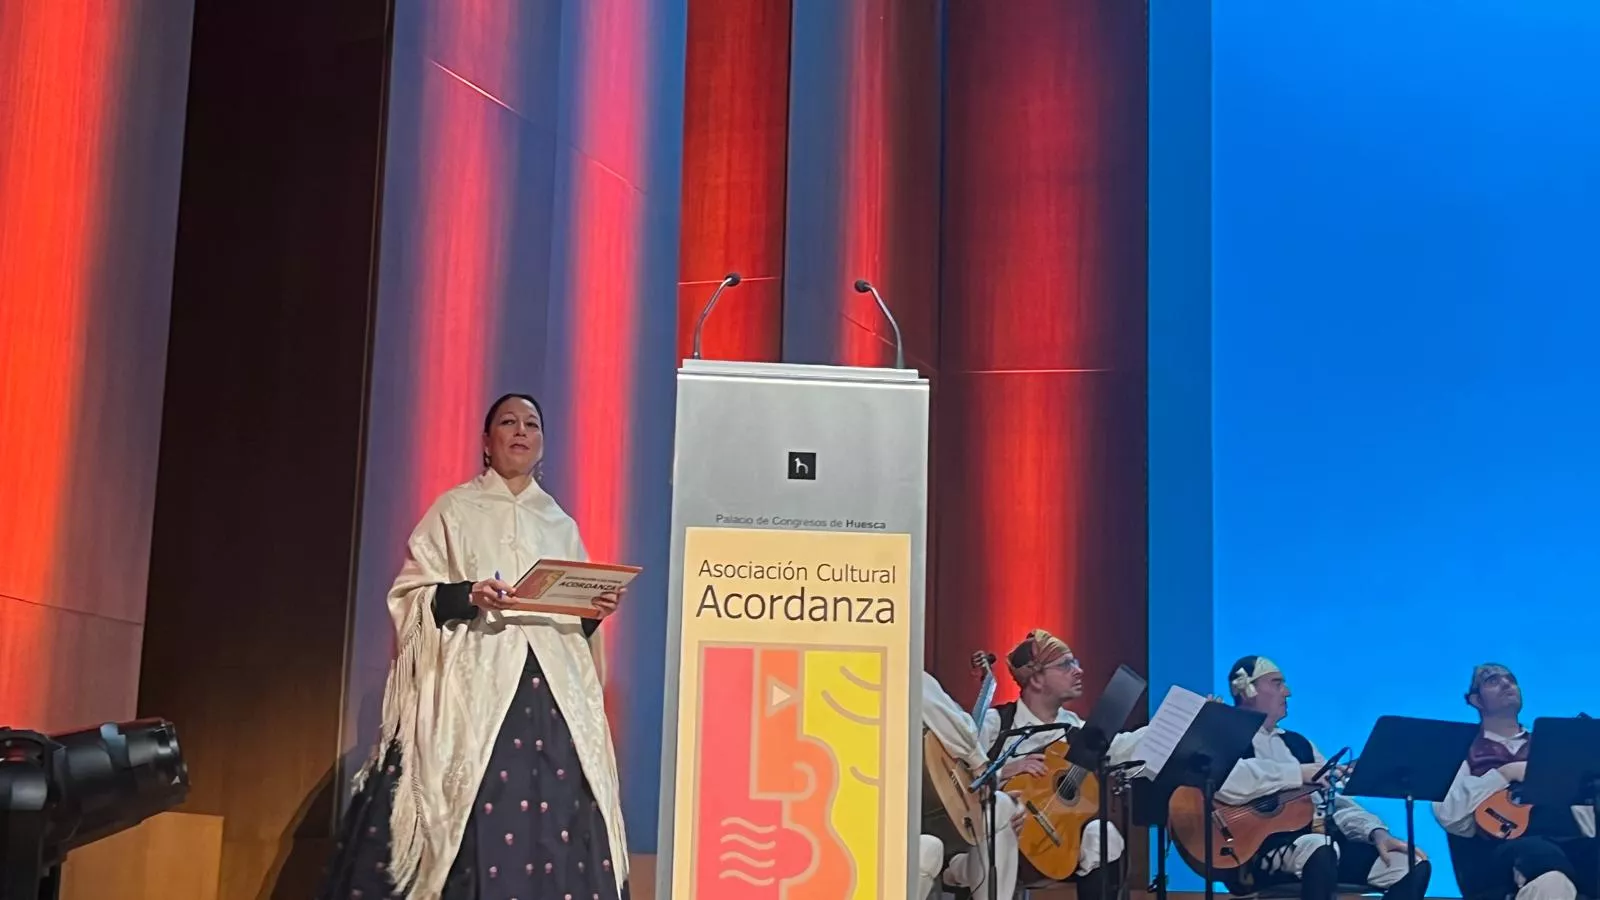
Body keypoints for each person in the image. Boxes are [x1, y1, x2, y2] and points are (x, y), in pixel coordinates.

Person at [319, 393, 629, 900]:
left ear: (543, 444)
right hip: (475, 689)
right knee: (475, 811)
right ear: (487, 442)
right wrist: (469, 594)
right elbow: (410, 597)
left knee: (561, 811)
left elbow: (576, 623)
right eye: (508, 422)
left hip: (552, 698)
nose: (521, 430)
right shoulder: (454, 509)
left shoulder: (560, 524)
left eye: (532, 423)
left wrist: (594, 607)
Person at [1216, 655, 1429, 900]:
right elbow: (1226, 781)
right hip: (1258, 852)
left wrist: (1376, 832)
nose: (1287, 692)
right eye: (1277, 683)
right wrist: (1297, 773)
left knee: (1410, 864)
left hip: (1321, 846)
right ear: (1247, 689)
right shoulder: (1228, 737)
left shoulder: (1299, 744)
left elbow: (1331, 801)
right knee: (1321, 848)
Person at [967, 630, 1146, 898]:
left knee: (1103, 836)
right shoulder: (997, 724)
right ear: (1036, 678)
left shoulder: (1073, 728)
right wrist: (1003, 771)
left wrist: (1179, 723)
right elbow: (961, 774)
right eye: (1066, 664)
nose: (1079, 671)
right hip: (1001, 837)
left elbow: (1120, 748)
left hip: (1058, 844)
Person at [1431, 663, 1597, 900]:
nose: (1506, 684)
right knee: (1548, 873)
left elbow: (1586, 812)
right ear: (1475, 700)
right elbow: (1449, 813)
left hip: (1568, 843)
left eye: (1511, 679)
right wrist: (1505, 773)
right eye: (1493, 681)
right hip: (1497, 853)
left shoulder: (1552, 745)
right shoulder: (1462, 751)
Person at [921, 670, 1028, 899]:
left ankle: (956, 869)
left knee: (1002, 807)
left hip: (933, 813)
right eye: (1066, 664)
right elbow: (953, 723)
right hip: (910, 816)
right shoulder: (900, 668)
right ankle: (956, 868)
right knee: (1001, 808)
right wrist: (979, 762)